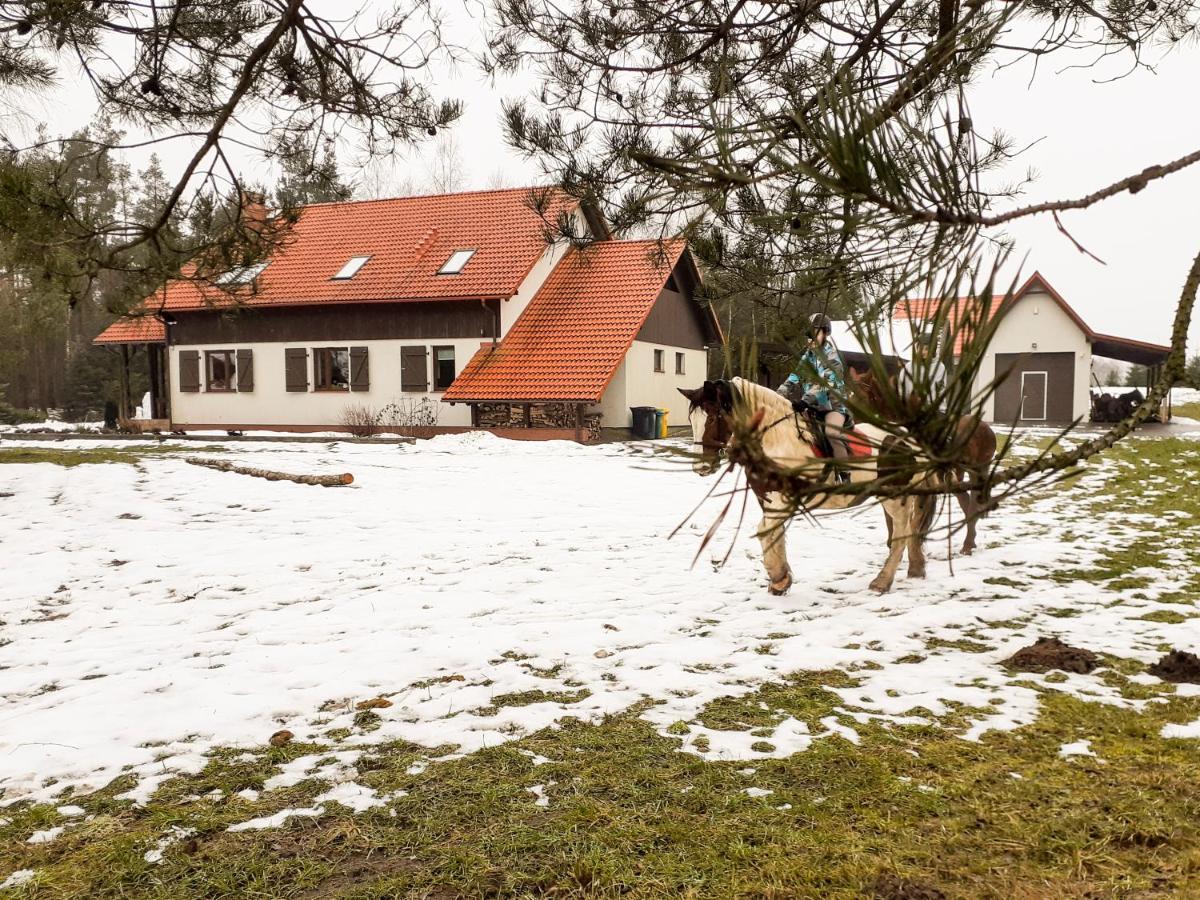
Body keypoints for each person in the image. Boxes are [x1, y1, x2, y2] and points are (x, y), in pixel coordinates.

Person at [779, 312, 852, 483]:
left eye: (815, 333)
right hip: (812, 408)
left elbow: (825, 384)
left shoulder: (832, 358)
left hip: (833, 408)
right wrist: (779, 393)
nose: (810, 338)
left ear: (825, 333)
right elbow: (795, 376)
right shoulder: (808, 356)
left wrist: (805, 400)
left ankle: (845, 475)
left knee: (832, 433)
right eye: (808, 335)